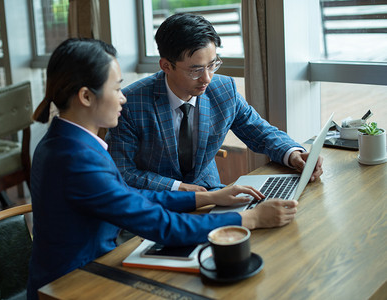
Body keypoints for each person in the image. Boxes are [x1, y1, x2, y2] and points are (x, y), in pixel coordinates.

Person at [27, 38, 298, 299]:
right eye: (116, 88)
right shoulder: (76, 158)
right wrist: (250, 219)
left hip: (94, 266)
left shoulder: (66, 141)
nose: (123, 98)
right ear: (86, 96)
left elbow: (129, 197)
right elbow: (163, 225)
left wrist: (204, 197)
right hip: (76, 283)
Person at [106, 13, 323, 192]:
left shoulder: (223, 89)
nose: (207, 78)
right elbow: (122, 171)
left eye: (212, 65)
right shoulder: (130, 103)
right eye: (196, 70)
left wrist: (293, 154)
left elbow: (260, 131)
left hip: (212, 192)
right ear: (166, 66)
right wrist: (178, 187)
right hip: (157, 203)